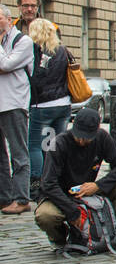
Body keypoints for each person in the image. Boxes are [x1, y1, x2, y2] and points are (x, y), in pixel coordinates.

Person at [34, 109, 116, 246]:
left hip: (88, 190)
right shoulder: (59, 144)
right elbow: (48, 184)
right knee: (45, 215)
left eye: (87, 137)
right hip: (61, 194)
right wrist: (72, 210)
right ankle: (60, 237)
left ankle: (115, 234)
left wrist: (98, 186)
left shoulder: (102, 137)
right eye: (79, 136)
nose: (82, 140)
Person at [26, 18, 72, 190]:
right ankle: (55, 178)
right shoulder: (62, 50)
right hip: (63, 104)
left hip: (43, 105)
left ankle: (37, 182)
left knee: (35, 145)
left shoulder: (37, 51)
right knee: (54, 144)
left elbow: (37, 77)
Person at [0, 4, 35, 215]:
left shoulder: (23, 41)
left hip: (14, 103)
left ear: (8, 19)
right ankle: (4, 196)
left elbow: (5, 64)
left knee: (18, 153)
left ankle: (22, 198)